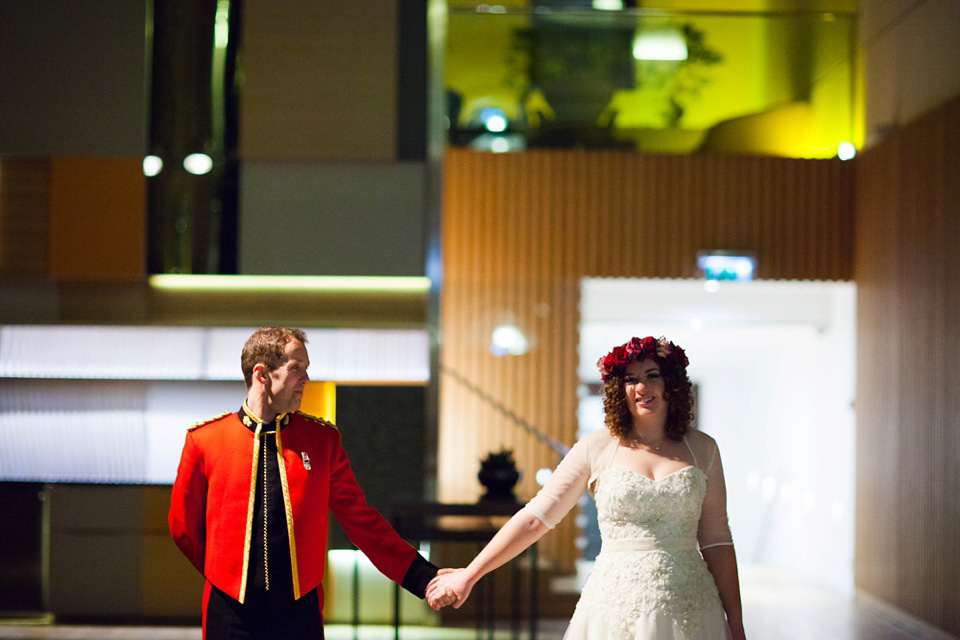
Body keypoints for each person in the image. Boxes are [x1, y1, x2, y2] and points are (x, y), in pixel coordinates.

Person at [426, 336, 746, 640]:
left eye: (653, 376)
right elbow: (536, 517)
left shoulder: (703, 448)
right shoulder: (596, 446)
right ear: (620, 389)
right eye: (632, 379)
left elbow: (717, 539)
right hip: (615, 604)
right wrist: (470, 573)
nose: (643, 387)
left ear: (671, 384)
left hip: (690, 605)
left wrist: (736, 624)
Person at [169, 326, 455, 639]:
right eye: (296, 369)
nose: (305, 379)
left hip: (298, 612)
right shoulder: (205, 441)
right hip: (230, 612)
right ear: (261, 373)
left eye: (306, 369)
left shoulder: (322, 440)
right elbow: (183, 529)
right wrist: (224, 575)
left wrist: (423, 576)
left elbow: (362, 522)